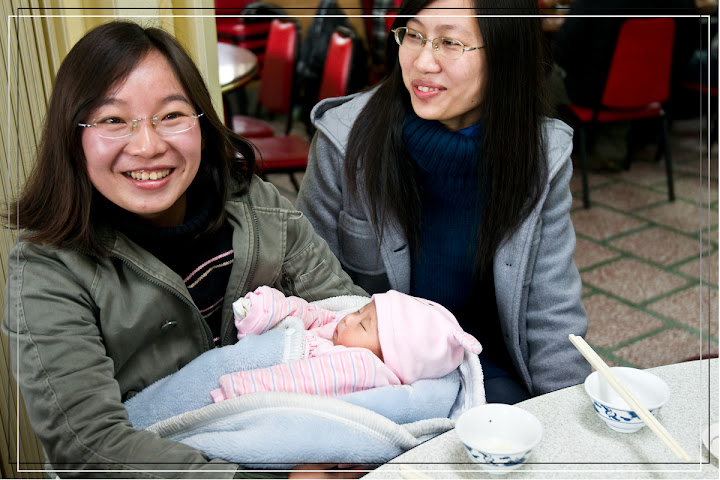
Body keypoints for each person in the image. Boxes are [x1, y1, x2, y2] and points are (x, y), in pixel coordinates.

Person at [1, 20, 367, 478]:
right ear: (73, 136)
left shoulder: (257, 206)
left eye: (171, 115)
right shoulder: (47, 269)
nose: (148, 146)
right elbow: (89, 445)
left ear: (201, 121)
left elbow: (353, 317)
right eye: (113, 120)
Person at [296, 0, 591, 405]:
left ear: (505, 54)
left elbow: (552, 311)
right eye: (414, 35)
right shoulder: (344, 142)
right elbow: (310, 289)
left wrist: (566, 415)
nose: (422, 63)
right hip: (370, 378)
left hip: (485, 368)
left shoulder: (539, 157)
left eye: (450, 43)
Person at [211, 286, 482, 401]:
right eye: (361, 310)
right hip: (247, 360)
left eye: (363, 324)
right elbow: (312, 314)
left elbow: (298, 382)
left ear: (387, 359)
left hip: (244, 389)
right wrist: (265, 310)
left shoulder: (361, 367)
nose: (350, 318)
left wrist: (237, 391)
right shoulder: (344, 331)